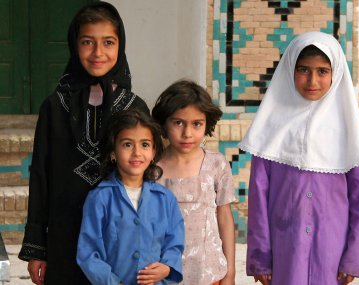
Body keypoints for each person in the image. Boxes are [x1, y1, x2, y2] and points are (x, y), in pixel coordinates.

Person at [18, 2, 149, 284]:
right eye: (87, 42)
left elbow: (147, 180)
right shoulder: (54, 107)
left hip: (121, 240)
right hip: (66, 238)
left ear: (120, 45)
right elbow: (41, 176)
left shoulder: (135, 109)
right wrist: (37, 248)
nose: (98, 53)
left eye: (108, 42)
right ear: (74, 45)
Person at [240, 31, 359, 285]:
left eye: (322, 71)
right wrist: (260, 258)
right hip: (283, 248)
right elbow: (258, 197)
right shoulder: (269, 129)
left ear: (336, 73)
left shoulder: (350, 133)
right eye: (303, 70)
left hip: (332, 250)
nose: (312, 80)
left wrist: (354, 257)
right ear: (289, 71)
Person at [76, 109, 184, 285]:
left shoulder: (166, 199)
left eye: (145, 145)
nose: (136, 153)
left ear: (154, 152)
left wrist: (167, 267)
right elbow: (88, 253)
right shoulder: (99, 199)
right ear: (113, 152)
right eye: (127, 144)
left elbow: (175, 243)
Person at [152, 80, 237, 285]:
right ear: (164, 122)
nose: (187, 133)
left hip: (209, 272)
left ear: (207, 123)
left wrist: (231, 271)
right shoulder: (152, 168)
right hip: (164, 274)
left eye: (196, 124)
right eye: (178, 122)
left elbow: (224, 218)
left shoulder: (217, 164)